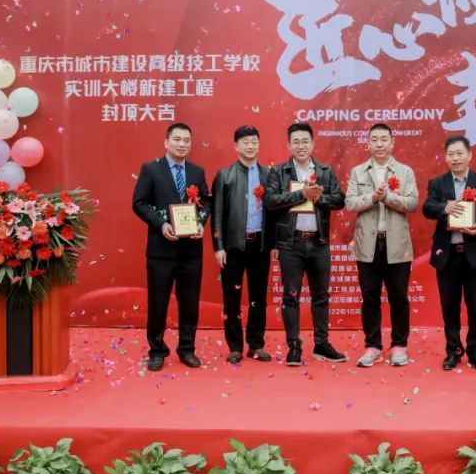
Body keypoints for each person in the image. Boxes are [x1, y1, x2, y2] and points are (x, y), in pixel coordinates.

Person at [264, 123, 347, 366]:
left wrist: (318, 197)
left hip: (319, 243)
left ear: (313, 143)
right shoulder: (278, 172)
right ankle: (294, 346)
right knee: (291, 296)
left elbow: (339, 199)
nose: (301, 146)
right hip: (290, 244)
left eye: (305, 141)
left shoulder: (324, 171)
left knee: (321, 296)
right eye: (296, 142)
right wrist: (301, 195)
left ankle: (321, 343)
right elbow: (270, 201)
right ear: (288, 145)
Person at [131, 122, 210, 371]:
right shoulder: (151, 169)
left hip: (191, 250)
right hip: (161, 250)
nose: (182, 144)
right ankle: (157, 350)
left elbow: (206, 202)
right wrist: (161, 224)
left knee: (190, 303)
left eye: (186, 140)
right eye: (177, 139)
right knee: (158, 303)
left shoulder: (197, 172)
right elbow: (139, 203)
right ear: (166, 142)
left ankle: (187, 349)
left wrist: (201, 223)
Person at [422, 135, 476, 371]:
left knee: (475, 307)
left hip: (473, 253)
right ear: (446, 157)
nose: (455, 158)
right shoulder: (438, 183)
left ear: (469, 155)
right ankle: (453, 351)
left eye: (459, 153)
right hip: (447, 255)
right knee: (450, 306)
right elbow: (427, 208)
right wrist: (443, 207)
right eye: (451, 154)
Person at [345, 124, 419, 367]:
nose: (379, 144)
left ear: (392, 142)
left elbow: (412, 203)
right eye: (374, 139)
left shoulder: (405, 171)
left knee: (399, 296)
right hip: (368, 244)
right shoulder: (358, 172)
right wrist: (372, 198)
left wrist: (388, 197)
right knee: (370, 297)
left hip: (396, 244)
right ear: (367, 143)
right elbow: (350, 203)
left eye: (383, 139)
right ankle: (372, 346)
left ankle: (399, 345)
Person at [211, 125, 276, 364]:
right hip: (233, 247)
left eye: (254, 141)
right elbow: (217, 213)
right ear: (236, 146)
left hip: (260, 245)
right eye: (245, 142)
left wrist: (273, 244)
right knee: (232, 298)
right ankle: (235, 347)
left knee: (258, 297)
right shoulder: (224, 175)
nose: (250, 146)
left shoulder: (269, 175)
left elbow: (275, 213)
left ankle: (256, 344)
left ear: (259, 144)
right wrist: (219, 246)